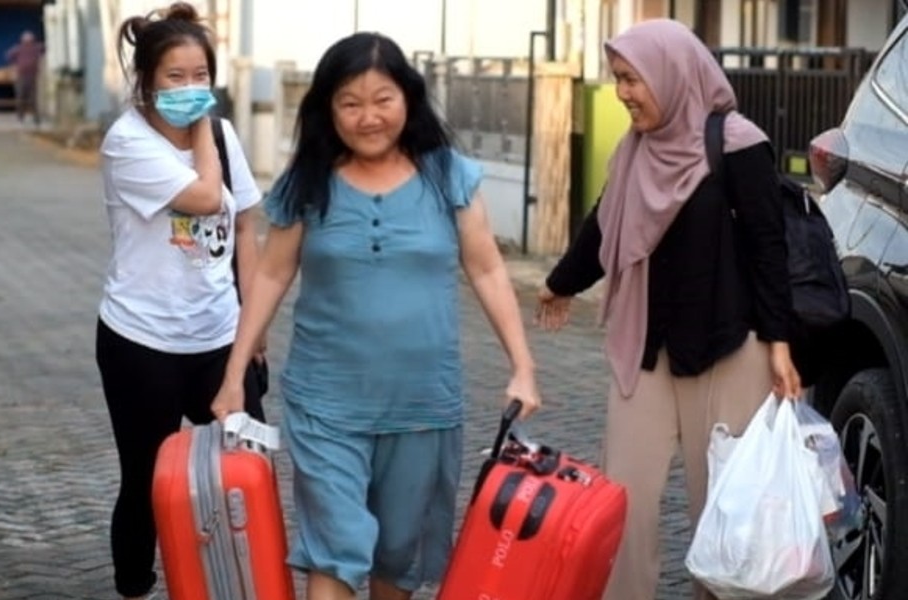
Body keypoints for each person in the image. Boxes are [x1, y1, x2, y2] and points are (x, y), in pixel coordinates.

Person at [211, 31, 541, 600]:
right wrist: (235, 373)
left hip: (422, 404)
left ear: (408, 97)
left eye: (382, 99)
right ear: (328, 109)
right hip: (325, 402)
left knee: (397, 557)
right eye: (350, 103)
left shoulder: (450, 176)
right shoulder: (307, 182)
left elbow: (487, 269)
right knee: (334, 550)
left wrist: (523, 366)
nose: (368, 117)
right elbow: (270, 275)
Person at [534, 19, 802, 600]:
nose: (623, 93)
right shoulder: (633, 152)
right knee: (621, 505)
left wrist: (779, 345)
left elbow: (768, 247)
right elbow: (605, 226)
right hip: (647, 348)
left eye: (633, 79)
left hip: (730, 347)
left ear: (670, 73)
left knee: (723, 511)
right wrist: (561, 283)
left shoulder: (739, 145)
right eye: (617, 79)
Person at [95, 3, 265, 599]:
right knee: (146, 478)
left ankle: (244, 582)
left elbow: (245, 225)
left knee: (247, 470)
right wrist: (202, 130)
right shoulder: (126, 143)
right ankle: (135, 586)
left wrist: (252, 325)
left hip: (219, 337)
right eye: (175, 77)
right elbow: (205, 198)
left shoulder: (222, 134)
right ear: (146, 80)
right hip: (142, 341)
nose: (192, 88)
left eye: (201, 76)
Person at [5, 31, 43, 125]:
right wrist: (15, 66)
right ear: (22, 41)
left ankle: (36, 118)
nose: (28, 42)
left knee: (33, 98)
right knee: (20, 96)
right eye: (26, 40)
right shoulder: (18, 49)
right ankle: (20, 117)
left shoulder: (36, 48)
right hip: (21, 75)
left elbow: (44, 49)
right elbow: (8, 55)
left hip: (32, 76)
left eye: (30, 40)